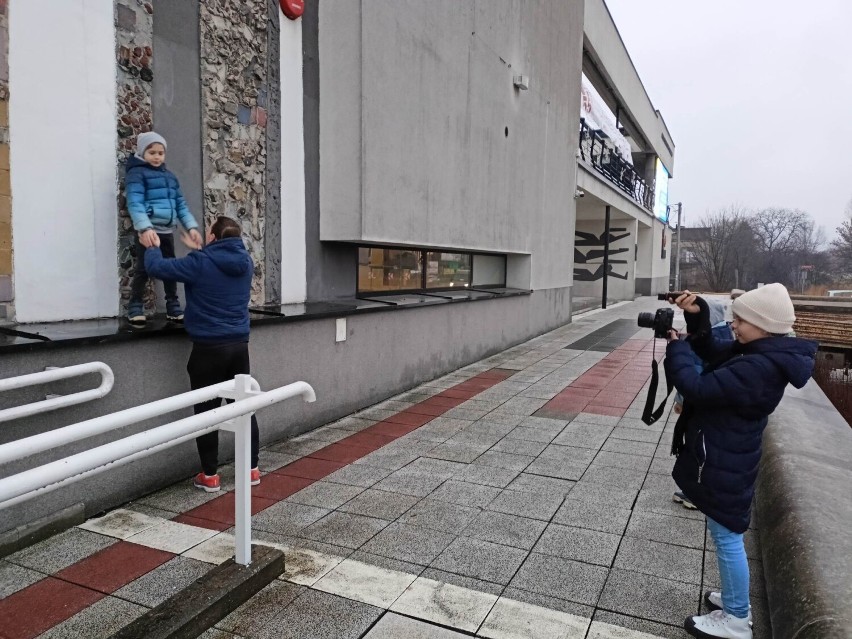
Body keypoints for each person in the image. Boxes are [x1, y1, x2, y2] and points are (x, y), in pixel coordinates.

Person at [664, 284, 816, 639]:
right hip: (728, 452)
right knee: (726, 533)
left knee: (727, 535)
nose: (733, 325)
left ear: (763, 325)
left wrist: (676, 349)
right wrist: (697, 314)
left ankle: (735, 618)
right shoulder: (763, 351)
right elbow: (715, 350)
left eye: (740, 320)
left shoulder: (759, 367)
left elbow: (698, 387)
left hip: (724, 458)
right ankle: (734, 599)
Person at [144, 216, 261, 492]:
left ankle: (210, 476)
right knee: (244, 407)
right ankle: (252, 469)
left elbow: (156, 267)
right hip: (238, 347)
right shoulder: (245, 263)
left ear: (213, 237)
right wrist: (201, 249)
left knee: (206, 412)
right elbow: (216, 269)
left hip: (208, 349)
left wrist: (152, 244)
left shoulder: (200, 263)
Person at [125, 131, 203, 325]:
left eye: (161, 153)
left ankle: (172, 304)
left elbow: (180, 205)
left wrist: (191, 227)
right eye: (152, 152)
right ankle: (135, 305)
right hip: (149, 232)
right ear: (142, 153)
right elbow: (135, 202)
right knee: (143, 269)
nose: (157, 156)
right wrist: (144, 228)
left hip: (167, 231)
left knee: (170, 268)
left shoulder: (170, 177)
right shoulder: (136, 174)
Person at [671, 299, 734, 510]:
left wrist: (680, 400)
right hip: (710, 405)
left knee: (696, 447)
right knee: (698, 445)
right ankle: (694, 489)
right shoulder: (724, 336)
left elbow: (694, 375)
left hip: (700, 406)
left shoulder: (708, 341)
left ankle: (695, 492)